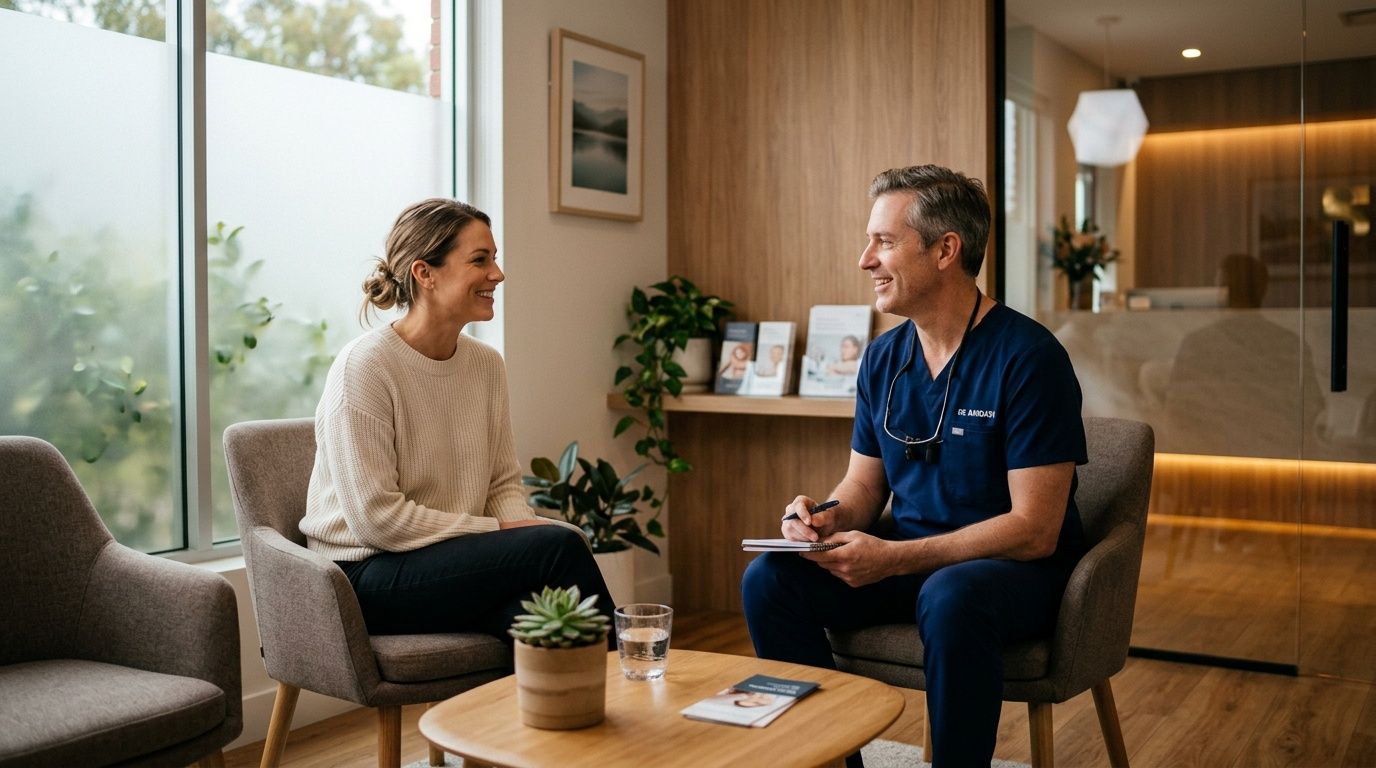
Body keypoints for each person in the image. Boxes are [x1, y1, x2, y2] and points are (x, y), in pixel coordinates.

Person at [742, 166, 1088, 767]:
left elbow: (1036, 529)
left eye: (883, 241)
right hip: (912, 560)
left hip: (1010, 573)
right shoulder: (883, 358)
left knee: (953, 595)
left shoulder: (1030, 358)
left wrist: (894, 558)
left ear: (945, 250)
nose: (864, 260)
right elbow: (863, 486)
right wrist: (820, 519)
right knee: (772, 579)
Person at [300, 198, 615, 644]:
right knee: (559, 545)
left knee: (549, 618)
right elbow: (377, 520)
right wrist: (505, 533)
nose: (497, 274)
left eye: (495, 259)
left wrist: (517, 532)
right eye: (479, 260)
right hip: (363, 574)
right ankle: (638, 672)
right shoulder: (364, 367)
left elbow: (501, 485)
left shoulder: (486, 365)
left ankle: (587, 704)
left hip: (448, 561)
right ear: (425, 273)